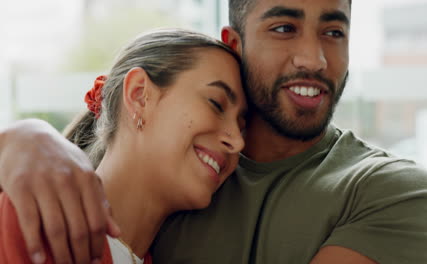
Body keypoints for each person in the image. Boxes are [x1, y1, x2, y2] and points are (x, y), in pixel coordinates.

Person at [0, 0, 427, 263]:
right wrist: (20, 139)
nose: (313, 59)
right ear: (235, 45)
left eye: (334, 31)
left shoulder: (391, 193)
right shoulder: (37, 219)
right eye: (283, 27)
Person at [0, 28, 247, 264]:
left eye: (242, 124)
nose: (237, 141)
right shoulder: (27, 220)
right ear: (139, 95)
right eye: (216, 103)